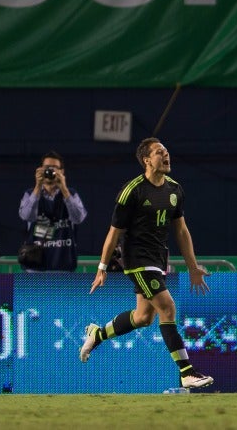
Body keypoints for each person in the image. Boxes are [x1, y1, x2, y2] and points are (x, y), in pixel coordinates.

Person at [79, 137, 213, 390]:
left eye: (167, 150)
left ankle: (97, 334)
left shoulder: (175, 189)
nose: (166, 155)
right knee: (167, 307)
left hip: (158, 258)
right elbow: (114, 232)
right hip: (137, 259)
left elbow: (182, 232)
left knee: (142, 317)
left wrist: (193, 267)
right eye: (159, 152)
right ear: (146, 160)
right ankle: (187, 373)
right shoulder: (132, 191)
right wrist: (102, 268)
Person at [18, 150, 88, 272]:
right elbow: (26, 216)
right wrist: (37, 187)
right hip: (35, 268)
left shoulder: (71, 194)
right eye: (46, 168)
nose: (50, 171)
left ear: (62, 172)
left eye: (55, 168)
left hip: (63, 267)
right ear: (40, 170)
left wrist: (64, 189)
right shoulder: (30, 194)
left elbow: (79, 218)